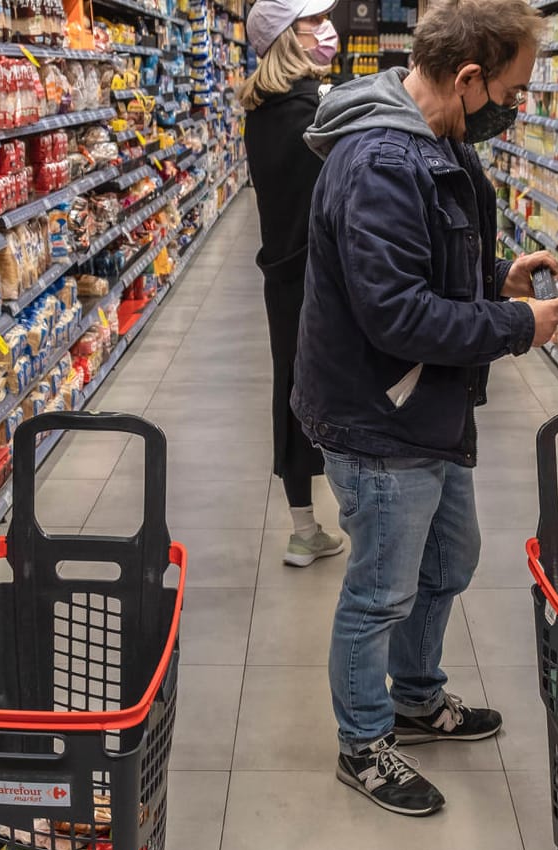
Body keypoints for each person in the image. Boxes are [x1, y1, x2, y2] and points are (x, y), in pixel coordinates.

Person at [294, 0, 558, 816]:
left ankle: (415, 695)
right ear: (469, 76)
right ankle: (364, 743)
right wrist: (515, 326)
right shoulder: (383, 160)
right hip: (380, 417)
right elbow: (396, 316)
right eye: (510, 92)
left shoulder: (433, 142)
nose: (513, 109)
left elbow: (426, 279)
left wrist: (494, 287)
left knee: (449, 560)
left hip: (426, 407)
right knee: (380, 588)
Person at [240, 0, 347, 568]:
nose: (328, 29)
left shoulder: (260, 110)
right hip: (327, 274)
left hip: (281, 270)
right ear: (288, 37)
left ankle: (303, 526)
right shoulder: (317, 111)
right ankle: (363, 511)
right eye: (314, 23)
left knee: (292, 385)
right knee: (347, 385)